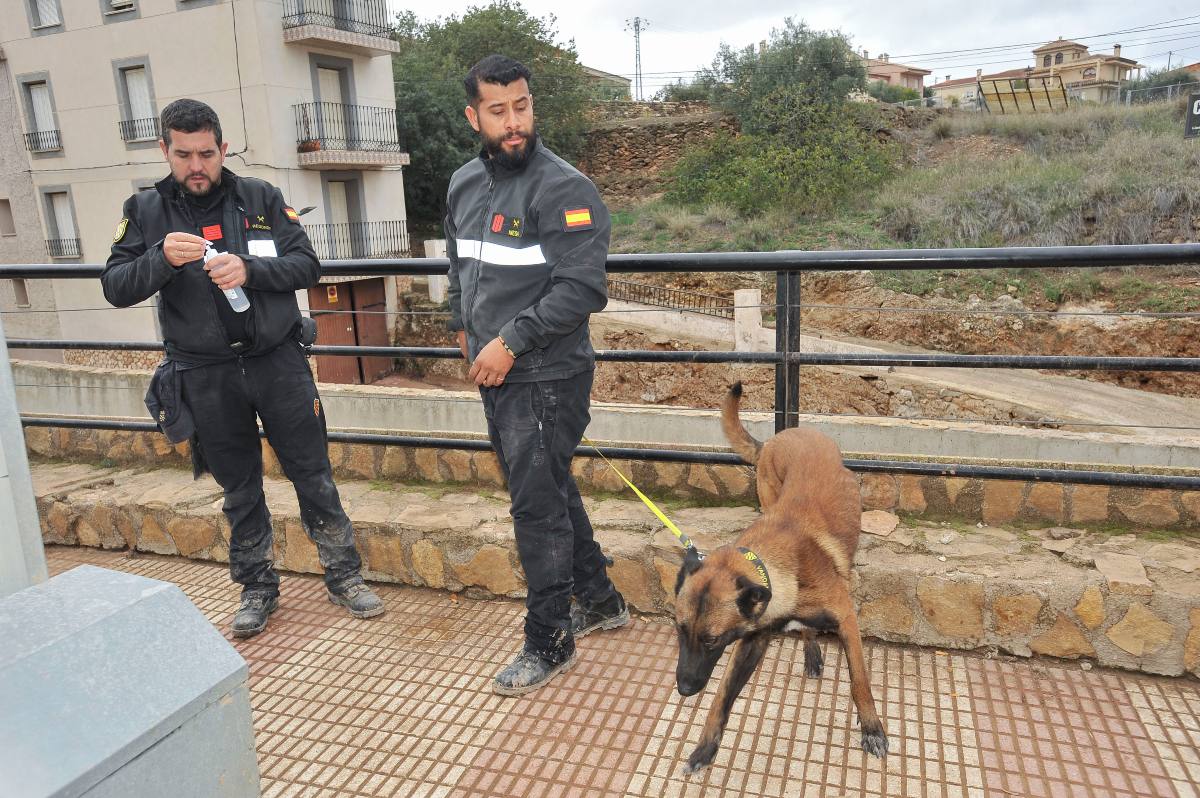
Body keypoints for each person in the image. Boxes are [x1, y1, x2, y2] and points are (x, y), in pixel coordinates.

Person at [102, 98, 384, 637]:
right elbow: (115, 287)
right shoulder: (144, 212)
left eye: (206, 153)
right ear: (165, 151)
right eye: (183, 155)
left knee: (312, 473)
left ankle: (345, 575)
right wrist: (161, 258)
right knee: (239, 487)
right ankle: (257, 587)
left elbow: (306, 265)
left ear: (223, 148)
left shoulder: (260, 197)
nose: (196, 166)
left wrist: (250, 269)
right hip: (204, 375)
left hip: (277, 363)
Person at [445, 55, 628, 695]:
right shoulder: (463, 185)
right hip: (496, 371)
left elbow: (582, 288)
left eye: (521, 106)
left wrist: (509, 342)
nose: (514, 121)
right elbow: (459, 266)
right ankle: (601, 599)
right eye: (498, 110)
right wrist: (462, 328)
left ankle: (549, 639)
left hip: (549, 373)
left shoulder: (565, 188)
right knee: (548, 488)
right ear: (475, 116)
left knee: (536, 507)